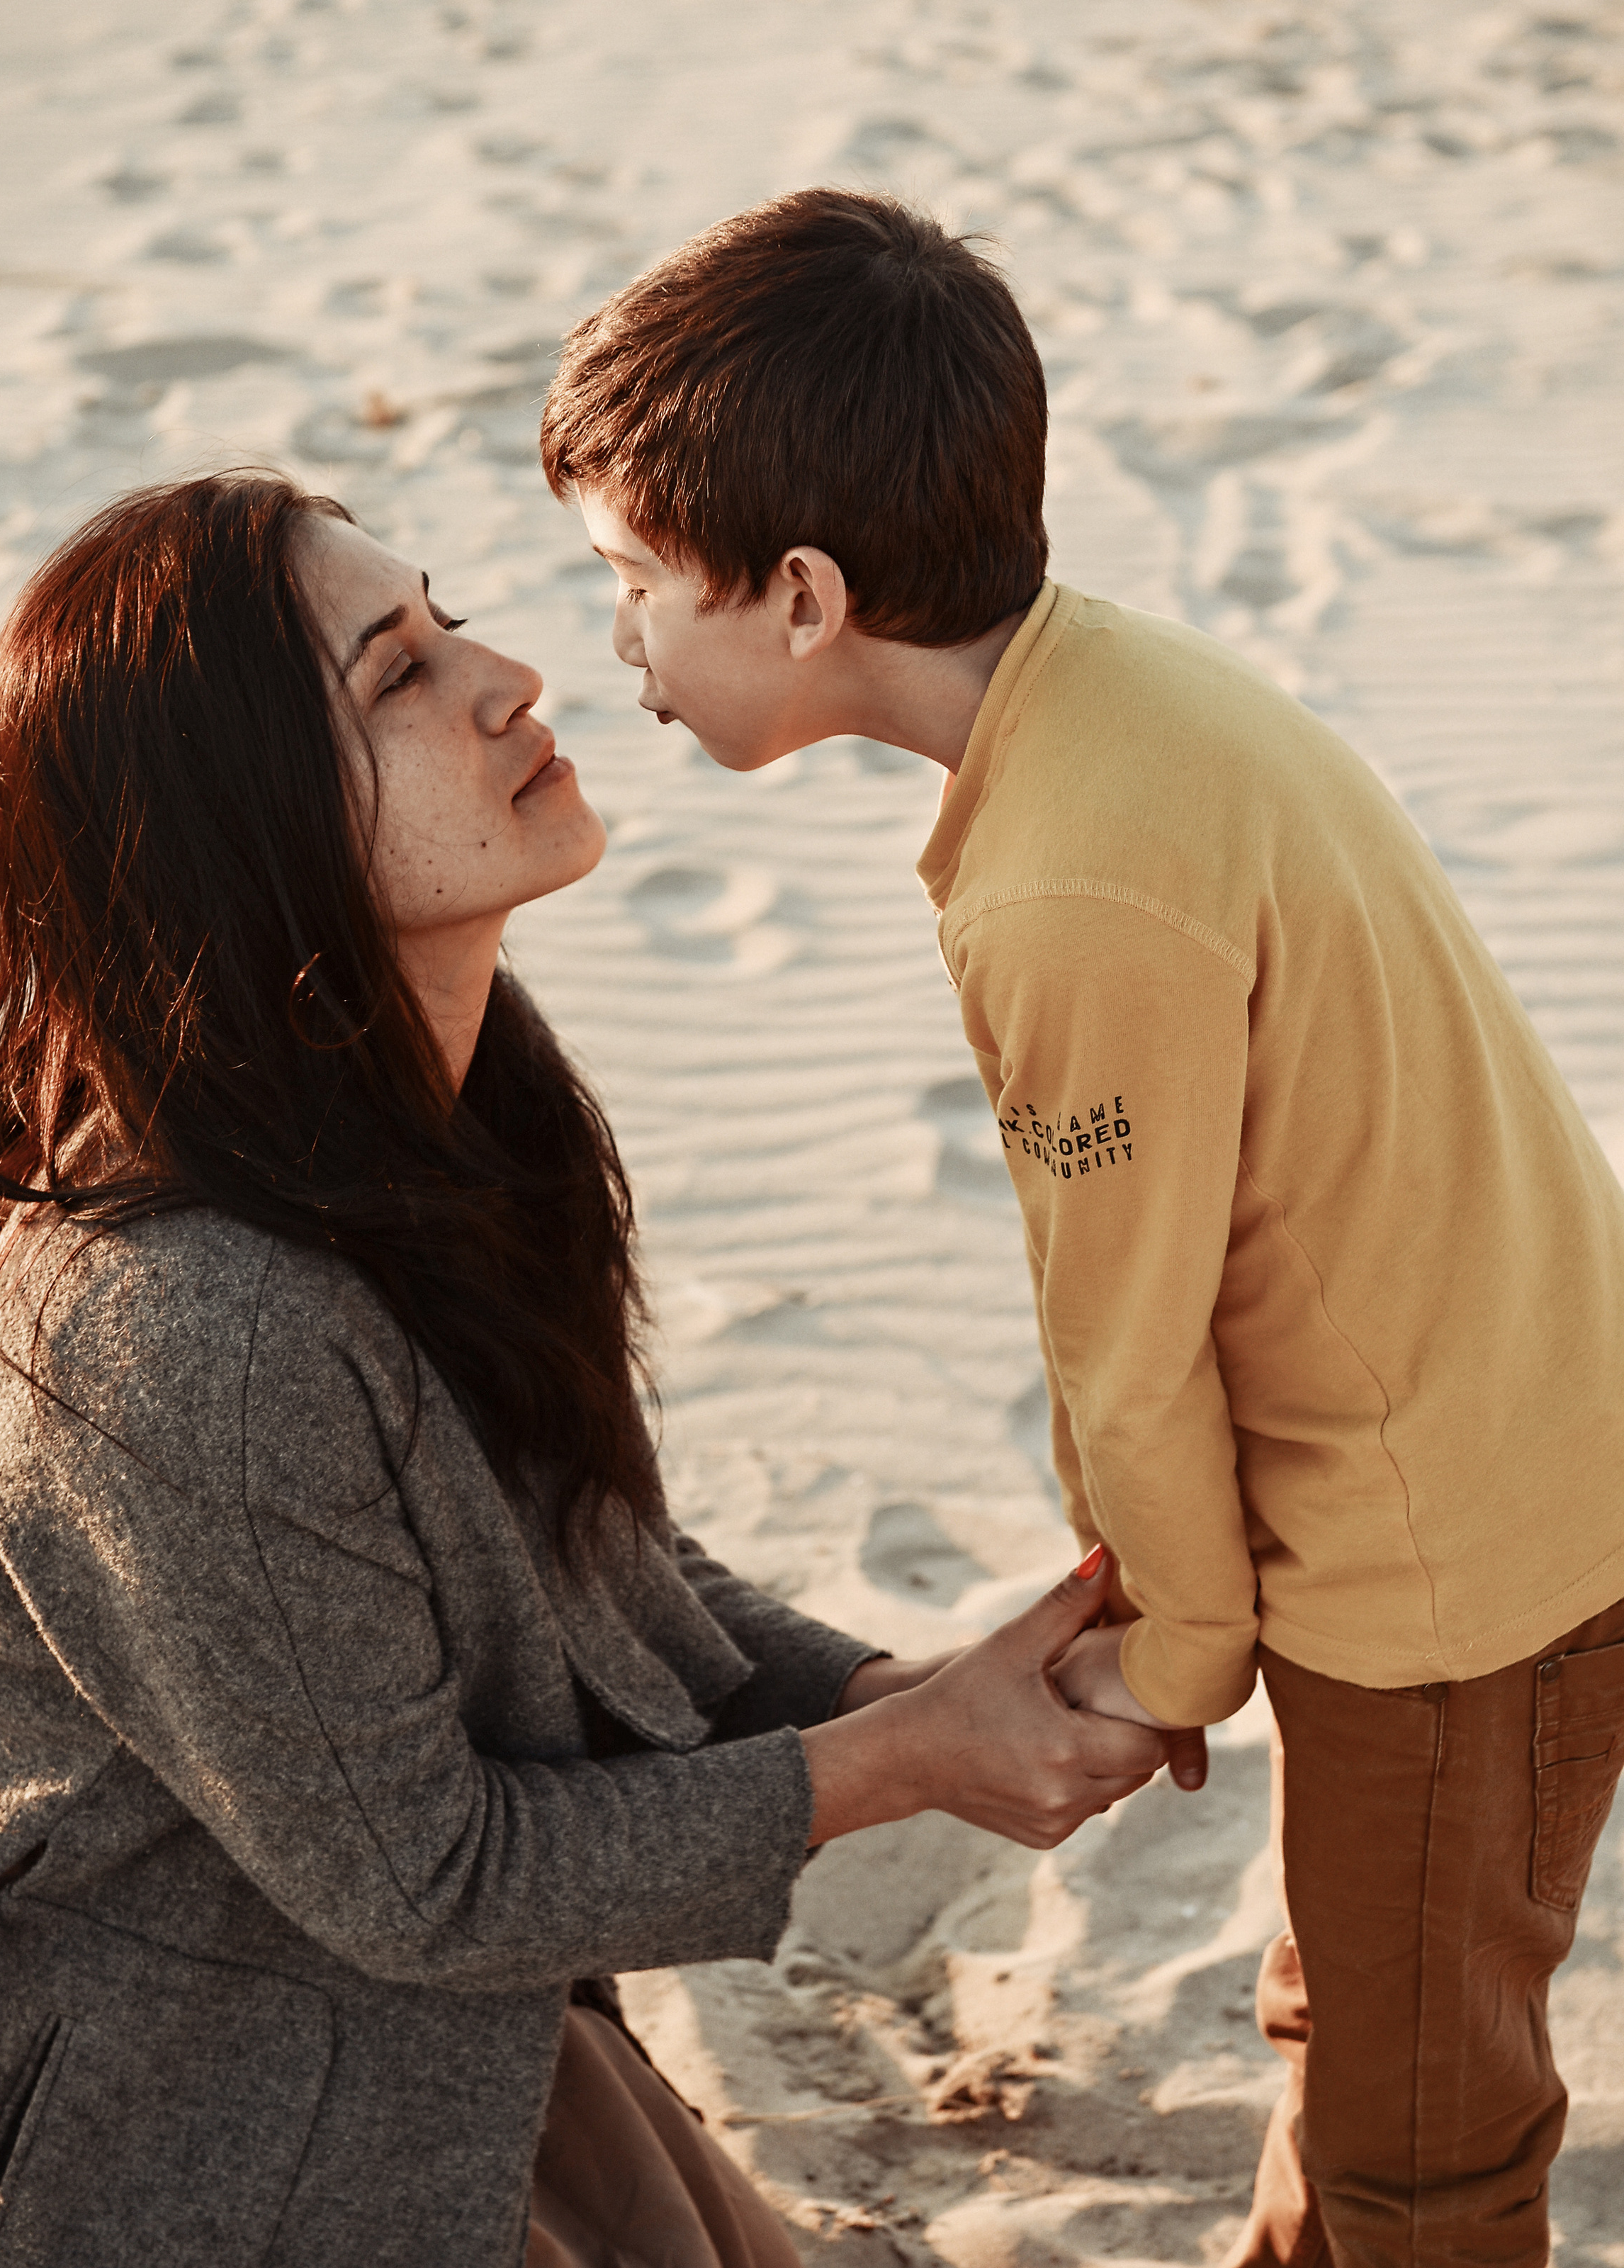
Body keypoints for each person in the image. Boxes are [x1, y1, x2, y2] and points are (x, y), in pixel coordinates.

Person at [0, 472, 1170, 2268]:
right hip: (90, 2133)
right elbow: (431, 1879)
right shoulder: (181, 1323)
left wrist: (887, 1683)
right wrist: (905, 1759)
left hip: (342, 1996)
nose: (514, 677)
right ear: (249, 829)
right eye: (397, 677)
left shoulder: (436, 1107)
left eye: (447, 623)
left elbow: (577, 1542)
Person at [538, 189, 1624, 2266]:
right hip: (1510, 1445)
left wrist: (1178, 1660)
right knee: (1374, 1999)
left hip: (1451, 1566)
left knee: (1426, 2142)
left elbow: (1133, 1342)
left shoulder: (1064, 888)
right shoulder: (1123, 695)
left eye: (631, 582)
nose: (618, 643)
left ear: (798, 596)